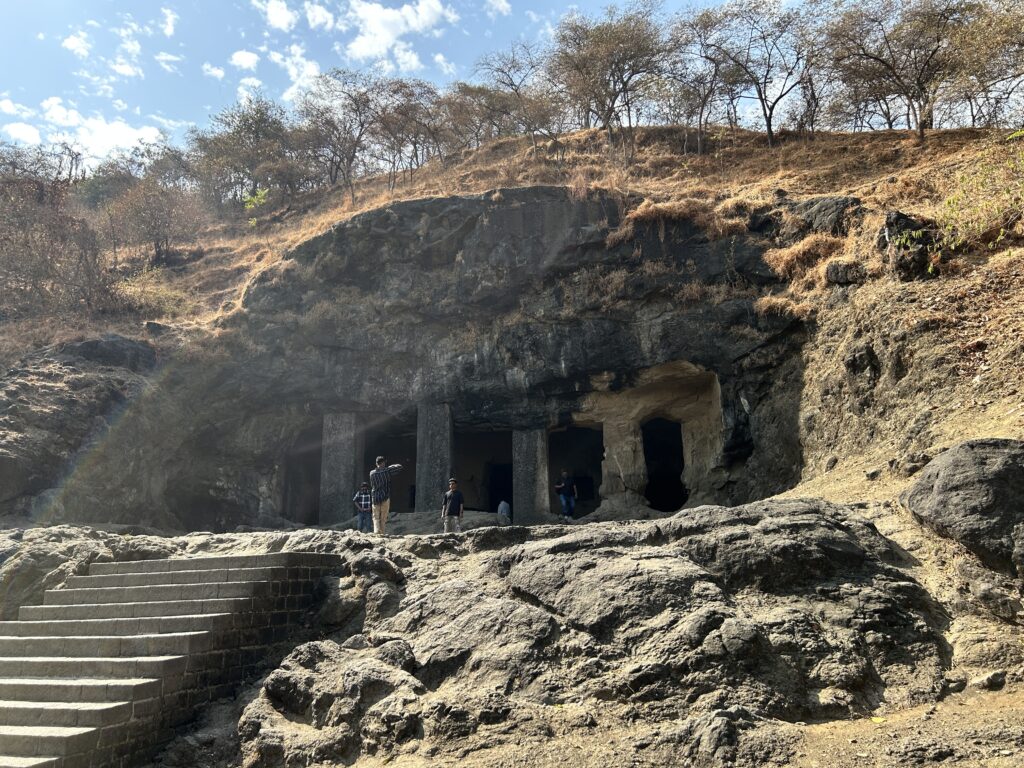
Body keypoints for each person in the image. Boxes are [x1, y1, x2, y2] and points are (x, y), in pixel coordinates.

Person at [369, 456, 403, 535]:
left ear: (376, 463)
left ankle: (376, 531)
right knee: (383, 517)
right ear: (383, 462)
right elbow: (399, 467)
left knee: (375, 517)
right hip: (385, 496)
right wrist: (389, 467)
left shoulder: (372, 473)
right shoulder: (387, 471)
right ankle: (382, 533)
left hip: (375, 497)